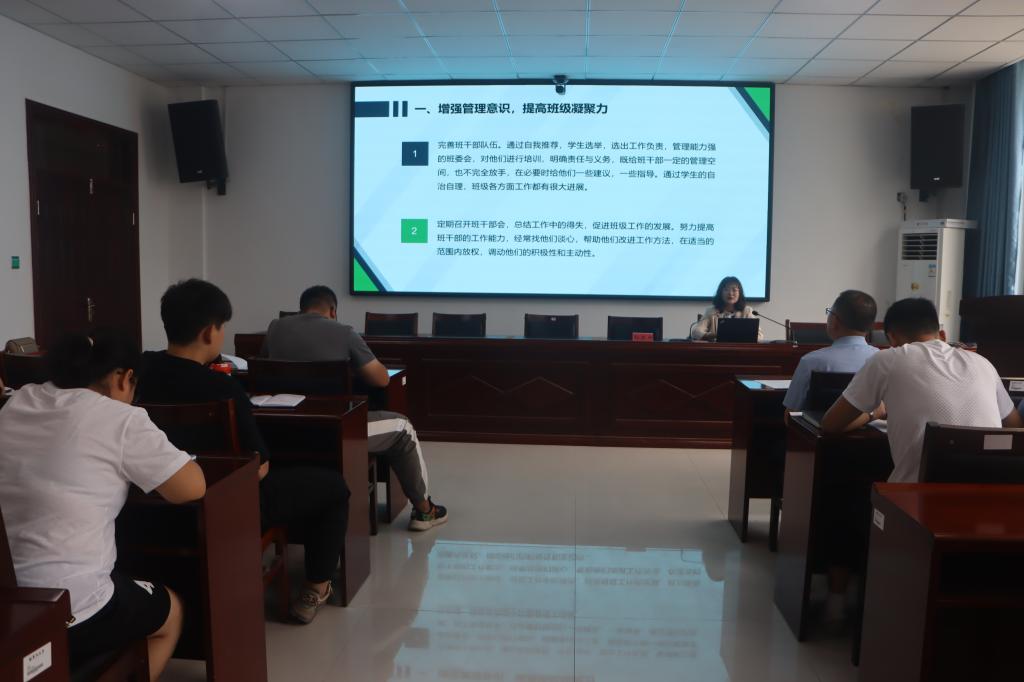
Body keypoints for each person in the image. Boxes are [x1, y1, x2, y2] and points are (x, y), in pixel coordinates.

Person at [136, 279, 350, 624]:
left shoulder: (138, 372)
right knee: (333, 486)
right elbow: (258, 466)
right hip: (223, 505)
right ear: (210, 332)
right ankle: (316, 586)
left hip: (149, 503)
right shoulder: (222, 387)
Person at [0, 330, 206, 680]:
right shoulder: (121, 419)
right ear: (123, 378)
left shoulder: (18, 401)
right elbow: (190, 488)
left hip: (9, 605)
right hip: (70, 607)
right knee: (172, 612)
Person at [263, 285, 447, 531]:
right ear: (333, 311)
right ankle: (425, 511)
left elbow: (265, 368)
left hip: (282, 433)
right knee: (403, 428)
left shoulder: (275, 328)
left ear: (301, 309)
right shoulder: (344, 332)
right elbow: (381, 379)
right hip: (333, 432)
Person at [822, 297, 1022, 481]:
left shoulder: (887, 360)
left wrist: (875, 413)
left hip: (917, 496)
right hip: (990, 492)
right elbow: (1015, 426)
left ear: (892, 338)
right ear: (941, 335)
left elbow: (831, 423)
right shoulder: (982, 363)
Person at [783, 290, 879, 412]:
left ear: (834, 321)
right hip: (872, 424)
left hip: (819, 425)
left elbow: (791, 413)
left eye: (829, 313)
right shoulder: (882, 360)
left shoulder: (811, 361)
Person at [690, 276, 764, 341]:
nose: (730, 293)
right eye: (726, 289)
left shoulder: (747, 311)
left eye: (734, 290)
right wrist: (715, 335)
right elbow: (696, 332)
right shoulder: (711, 311)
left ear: (740, 293)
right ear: (720, 292)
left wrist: (739, 336)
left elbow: (759, 336)